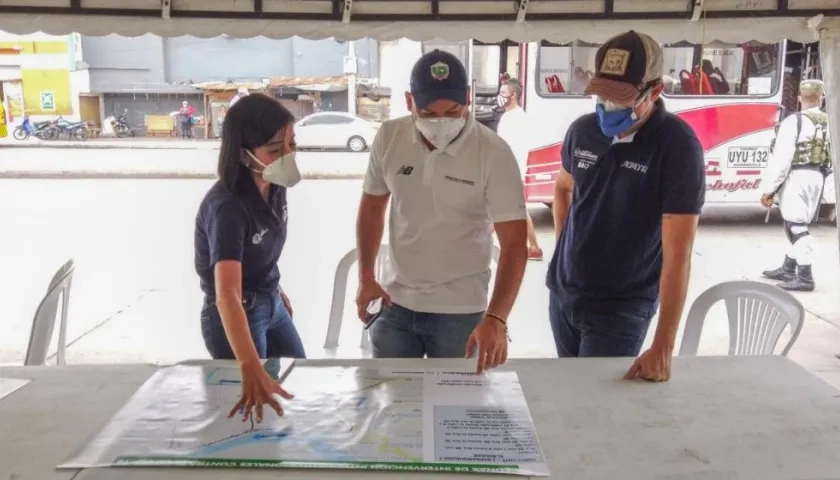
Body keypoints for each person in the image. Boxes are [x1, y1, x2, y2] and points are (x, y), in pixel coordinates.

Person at [355, 49, 528, 373]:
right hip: (395, 305)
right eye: (428, 113)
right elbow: (372, 207)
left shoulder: (493, 152)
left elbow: (515, 244)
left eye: (453, 111)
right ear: (409, 102)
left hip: (461, 313)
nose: (441, 123)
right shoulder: (389, 137)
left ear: (467, 98)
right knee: (393, 406)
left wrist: (496, 317)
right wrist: (366, 276)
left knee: (459, 410)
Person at [547, 31, 705, 382]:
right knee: (566, 393)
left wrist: (663, 344)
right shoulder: (583, 131)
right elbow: (562, 187)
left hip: (621, 307)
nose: (607, 106)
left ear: (656, 90)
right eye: (602, 94)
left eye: (620, 98)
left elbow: (679, 254)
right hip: (565, 295)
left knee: (596, 408)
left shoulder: (678, 147)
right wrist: (564, 247)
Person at [194, 93, 306, 422]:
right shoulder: (227, 205)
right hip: (237, 311)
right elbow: (226, 293)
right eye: (274, 150)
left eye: (291, 144)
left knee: (298, 377)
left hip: (270, 303)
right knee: (252, 406)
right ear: (244, 155)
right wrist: (249, 363)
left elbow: (262, 244)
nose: (287, 155)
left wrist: (274, 285)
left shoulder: (274, 183)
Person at [761, 79, 831, 292]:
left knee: (796, 226)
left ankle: (805, 276)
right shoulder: (831, 121)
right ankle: (788, 267)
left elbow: (782, 160)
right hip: (818, 177)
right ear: (822, 98)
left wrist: (769, 189)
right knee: (796, 222)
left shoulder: (794, 122)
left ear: (800, 98)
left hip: (797, 178)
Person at [496, 78, 544, 261]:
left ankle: (532, 247)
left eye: (503, 93)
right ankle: (530, 247)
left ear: (513, 95)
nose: (500, 97)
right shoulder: (509, 116)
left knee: (518, 211)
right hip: (510, 171)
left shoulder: (516, 119)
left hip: (512, 172)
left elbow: (510, 148)